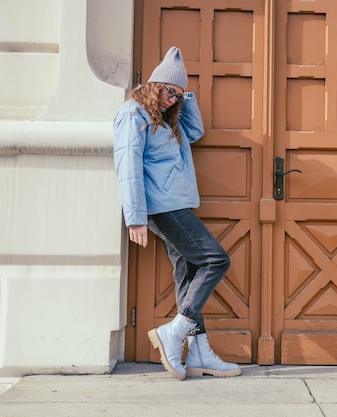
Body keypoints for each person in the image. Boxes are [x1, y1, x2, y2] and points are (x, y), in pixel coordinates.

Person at [112, 46, 241, 380]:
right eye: (169, 92)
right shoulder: (133, 113)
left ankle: (199, 353)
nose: (173, 100)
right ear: (154, 86)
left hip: (178, 203)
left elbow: (196, 132)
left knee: (188, 273)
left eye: (177, 95)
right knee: (216, 260)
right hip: (162, 207)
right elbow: (128, 165)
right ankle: (175, 331)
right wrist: (136, 216)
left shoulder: (169, 119)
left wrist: (186, 97)